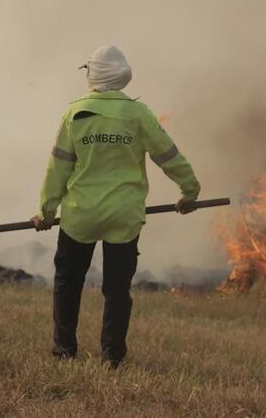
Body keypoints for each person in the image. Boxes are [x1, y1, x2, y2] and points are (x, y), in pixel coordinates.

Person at [32, 45, 201, 368]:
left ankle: (64, 350)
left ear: (93, 74)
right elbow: (169, 156)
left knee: (68, 282)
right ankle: (112, 355)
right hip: (124, 216)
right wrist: (190, 191)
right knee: (117, 289)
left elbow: (58, 168)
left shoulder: (75, 113)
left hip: (80, 215)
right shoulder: (138, 114)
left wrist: (47, 211)